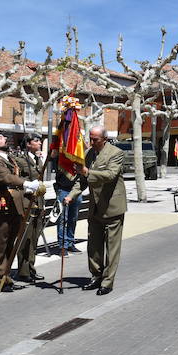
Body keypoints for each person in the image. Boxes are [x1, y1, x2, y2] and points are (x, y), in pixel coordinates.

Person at [68, 126, 126, 295]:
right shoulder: (88, 154)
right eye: (90, 139)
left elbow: (110, 175)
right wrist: (71, 195)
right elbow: (82, 180)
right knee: (93, 245)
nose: (92, 142)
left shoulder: (116, 153)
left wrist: (87, 171)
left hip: (112, 206)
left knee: (112, 247)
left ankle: (107, 281)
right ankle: (95, 276)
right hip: (95, 207)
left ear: (104, 139)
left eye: (95, 140)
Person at [0, 131, 41, 292]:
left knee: (10, 243)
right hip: (1, 203)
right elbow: (6, 178)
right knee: (0, 243)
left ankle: (6, 276)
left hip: (14, 203)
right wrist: (26, 183)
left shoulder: (9, 158)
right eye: (0, 138)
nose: (5, 139)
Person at [14, 133, 46, 283]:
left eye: (39, 140)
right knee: (25, 239)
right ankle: (23, 271)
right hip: (26, 202)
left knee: (34, 239)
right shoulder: (20, 160)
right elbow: (16, 180)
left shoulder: (38, 159)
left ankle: (31, 268)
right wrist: (27, 189)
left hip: (38, 202)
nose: (39, 143)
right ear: (27, 144)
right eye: (36, 141)